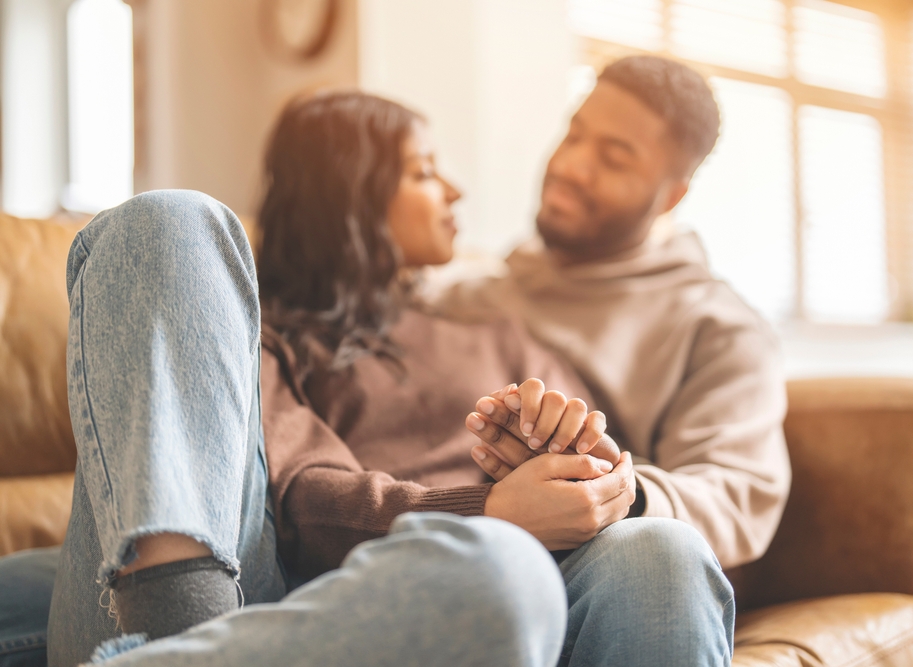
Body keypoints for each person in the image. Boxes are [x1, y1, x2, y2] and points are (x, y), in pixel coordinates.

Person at [5, 90, 734, 667]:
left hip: (504, 587)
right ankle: (179, 635)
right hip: (298, 590)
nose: (454, 189)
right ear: (351, 196)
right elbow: (297, 494)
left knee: (655, 551)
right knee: (171, 220)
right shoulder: (255, 332)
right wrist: (488, 510)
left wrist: (589, 474)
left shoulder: (502, 331)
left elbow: (596, 465)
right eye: (422, 171)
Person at [431, 55, 792, 571]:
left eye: (615, 159)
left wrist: (615, 489)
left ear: (671, 197)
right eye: (574, 135)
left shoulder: (718, 327)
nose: (572, 166)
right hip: (460, 553)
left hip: (613, 566)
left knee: (660, 554)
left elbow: (734, 496)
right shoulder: (475, 296)